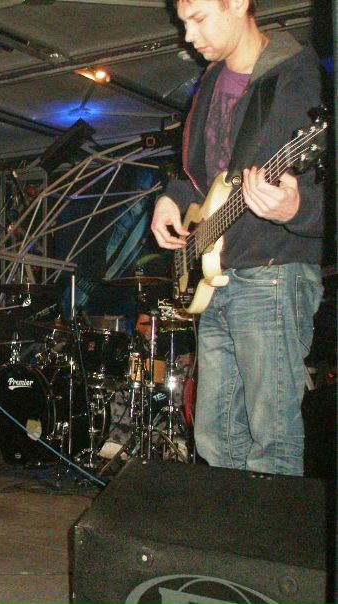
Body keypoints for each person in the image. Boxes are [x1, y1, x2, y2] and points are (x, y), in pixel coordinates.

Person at [150, 0, 324, 475]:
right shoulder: (210, 82)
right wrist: (172, 196)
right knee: (215, 436)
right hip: (217, 277)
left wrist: (298, 209)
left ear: (240, 3)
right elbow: (204, 175)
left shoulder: (299, 75)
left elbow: (322, 191)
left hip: (273, 275)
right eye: (183, 22)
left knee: (272, 440)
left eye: (199, 19)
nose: (188, 36)